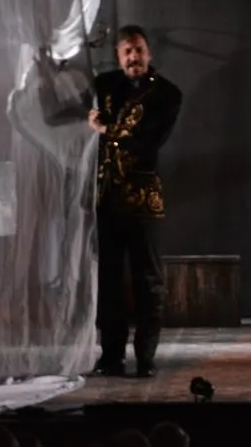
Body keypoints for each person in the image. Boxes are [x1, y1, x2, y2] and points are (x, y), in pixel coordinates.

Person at [88, 25, 182, 378]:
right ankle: (111, 356)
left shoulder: (167, 94)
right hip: (108, 198)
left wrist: (106, 130)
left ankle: (146, 357)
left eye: (139, 49)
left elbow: (147, 142)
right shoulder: (104, 85)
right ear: (117, 56)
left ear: (149, 52)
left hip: (143, 199)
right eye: (127, 51)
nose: (134, 57)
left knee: (148, 280)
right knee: (109, 280)